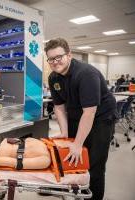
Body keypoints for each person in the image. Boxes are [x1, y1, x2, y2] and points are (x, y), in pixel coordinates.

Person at [45, 38, 116, 200]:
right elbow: (59, 107)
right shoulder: (53, 78)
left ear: (69, 55)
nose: (55, 62)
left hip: (101, 117)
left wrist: (77, 144)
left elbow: (89, 113)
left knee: (95, 163)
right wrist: (64, 133)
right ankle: (79, 189)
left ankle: (93, 195)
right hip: (77, 114)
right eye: (51, 59)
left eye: (59, 57)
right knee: (74, 156)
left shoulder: (86, 74)